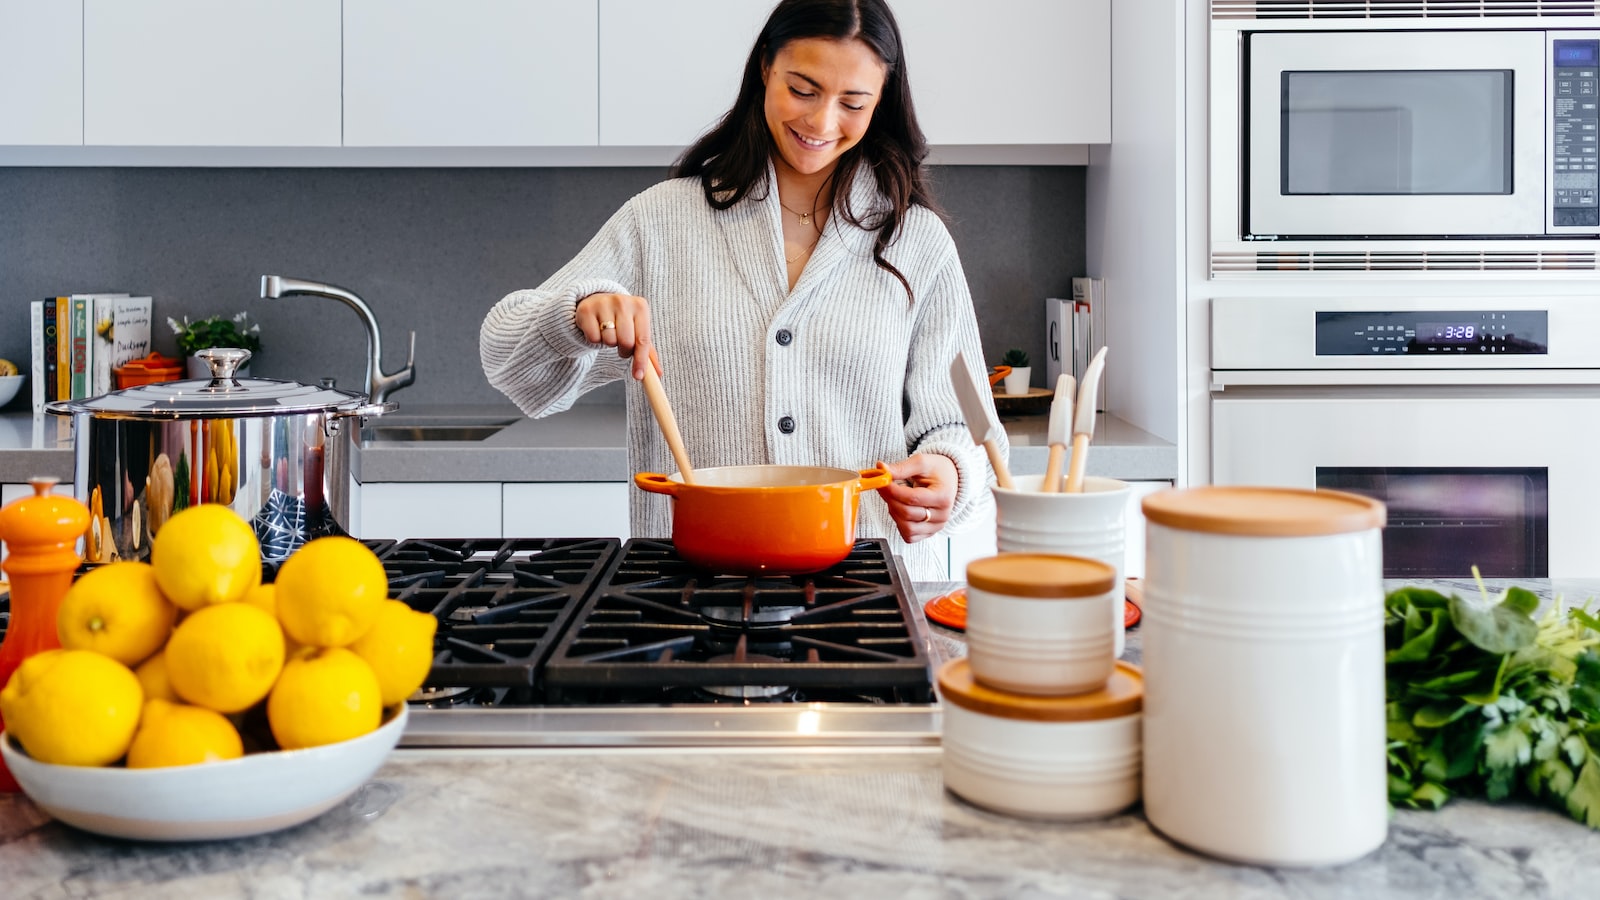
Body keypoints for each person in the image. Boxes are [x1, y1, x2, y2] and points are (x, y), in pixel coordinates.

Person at [480, 0, 1007, 580]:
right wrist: (576, 314)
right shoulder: (660, 223)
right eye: (803, 89)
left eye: (853, 103)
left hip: (869, 595)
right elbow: (506, 359)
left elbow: (971, 429)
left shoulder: (916, 240)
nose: (823, 123)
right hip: (688, 595)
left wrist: (951, 474)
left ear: (880, 103)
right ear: (764, 68)